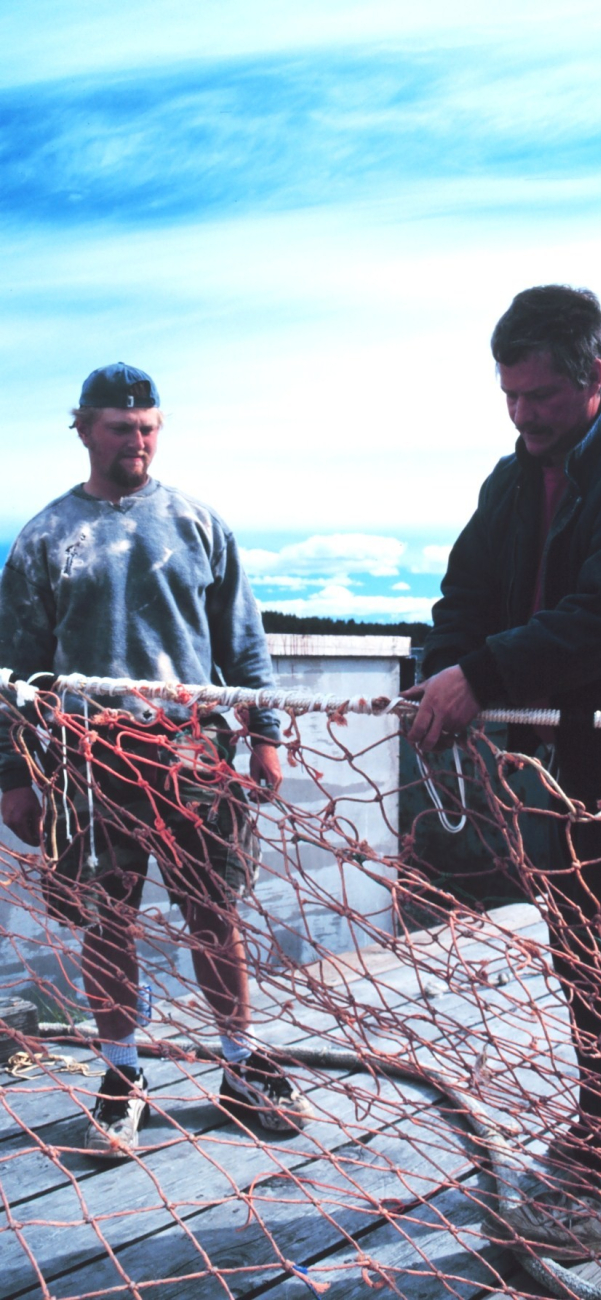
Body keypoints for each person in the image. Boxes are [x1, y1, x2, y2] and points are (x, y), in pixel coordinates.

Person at [405, 286, 601, 1258]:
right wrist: (444, 674)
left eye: (541, 395)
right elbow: (462, 597)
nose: (522, 415)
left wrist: (486, 674)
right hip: (560, 764)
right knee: (578, 953)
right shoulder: (511, 483)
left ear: (596, 376)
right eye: (510, 395)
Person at [0, 362, 312, 1158]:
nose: (135, 440)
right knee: (107, 922)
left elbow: (243, 645)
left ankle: (240, 1064)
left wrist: (267, 734)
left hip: (193, 755)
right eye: (119, 427)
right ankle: (121, 1074)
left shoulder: (198, 523)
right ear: (83, 429)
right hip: (86, 764)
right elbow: (14, 671)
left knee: (215, 914)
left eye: (147, 428)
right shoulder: (43, 538)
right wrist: (13, 778)